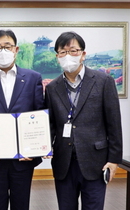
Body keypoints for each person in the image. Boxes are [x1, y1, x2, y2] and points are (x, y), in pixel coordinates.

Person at [45, 31, 123, 210]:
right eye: (62, 52)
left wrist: (114, 159)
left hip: (96, 161)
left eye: (73, 51)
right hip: (64, 162)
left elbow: (114, 124)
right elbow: (50, 125)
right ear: (57, 56)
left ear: (83, 55)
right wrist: (42, 145)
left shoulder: (104, 81)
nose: (67, 56)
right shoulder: (52, 87)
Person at [0, 29, 44, 210]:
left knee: (21, 204)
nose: (3, 51)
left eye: (7, 46)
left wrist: (34, 146)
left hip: (24, 157)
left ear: (16, 49)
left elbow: (39, 113)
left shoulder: (33, 78)